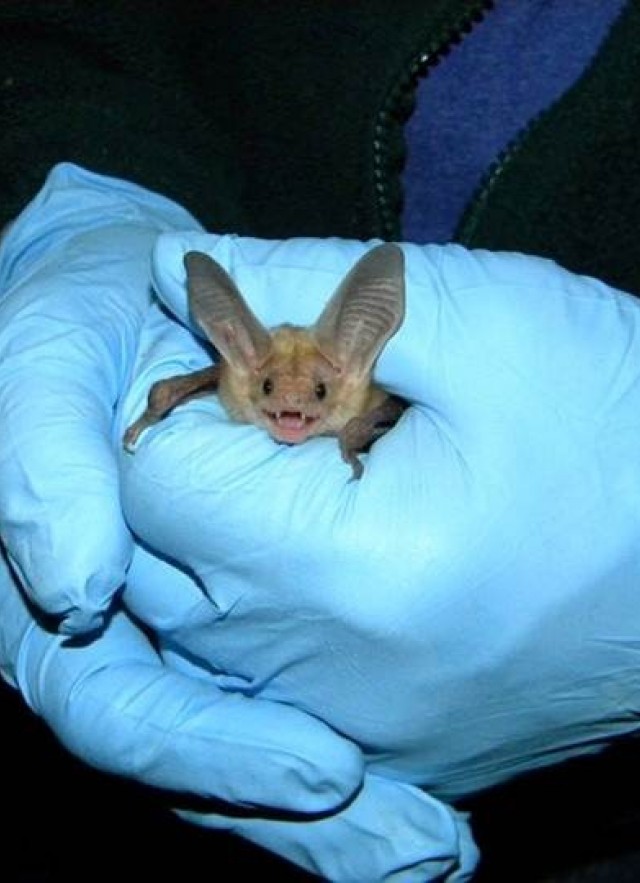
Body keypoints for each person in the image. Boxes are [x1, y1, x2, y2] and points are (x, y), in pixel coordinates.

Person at [1, 2, 639, 881]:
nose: (292, 411)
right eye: (272, 393)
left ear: (354, 368)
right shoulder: (231, 370)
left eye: (312, 398)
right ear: (239, 360)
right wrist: (68, 183)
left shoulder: (360, 393)